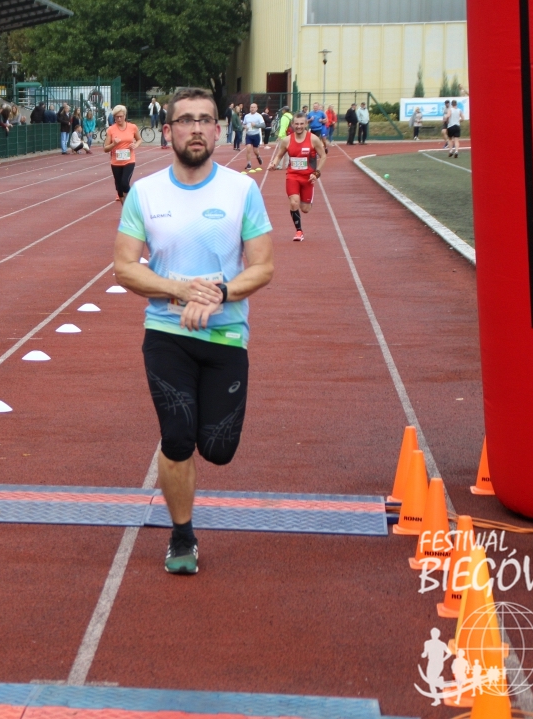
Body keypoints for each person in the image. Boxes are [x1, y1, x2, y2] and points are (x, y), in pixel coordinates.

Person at [113, 86, 274, 576]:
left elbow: (263, 266)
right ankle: (182, 536)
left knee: (218, 449)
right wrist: (179, 291)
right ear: (168, 132)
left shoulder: (242, 190)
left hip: (226, 336)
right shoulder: (145, 193)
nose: (197, 128)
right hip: (166, 333)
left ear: (219, 131)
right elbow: (124, 267)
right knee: (178, 436)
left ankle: (189, 478)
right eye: (186, 120)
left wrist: (218, 294)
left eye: (205, 120)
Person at [268, 111, 327, 242]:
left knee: (305, 209)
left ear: (306, 124)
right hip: (292, 176)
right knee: (294, 202)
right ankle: (299, 231)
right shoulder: (287, 140)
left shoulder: (313, 139)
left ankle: (307, 200)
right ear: (292, 125)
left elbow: (323, 156)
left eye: (301, 124)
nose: (299, 126)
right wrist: (274, 163)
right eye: (296, 124)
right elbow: (279, 155)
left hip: (308, 177)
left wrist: (317, 173)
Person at [102, 104, 141, 204]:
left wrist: (135, 145)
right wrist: (113, 144)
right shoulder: (111, 130)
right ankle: (125, 210)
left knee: (124, 182)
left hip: (129, 160)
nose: (119, 119)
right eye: (116, 117)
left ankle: (132, 200)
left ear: (125, 116)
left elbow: (139, 139)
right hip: (116, 162)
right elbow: (105, 149)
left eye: (121, 116)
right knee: (119, 189)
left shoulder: (132, 127)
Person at [242, 102, 264, 170]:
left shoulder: (259, 116)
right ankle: (249, 164)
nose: (252, 109)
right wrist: (244, 126)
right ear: (250, 108)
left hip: (256, 135)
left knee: (255, 151)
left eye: (254, 107)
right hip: (248, 135)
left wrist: (255, 125)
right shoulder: (246, 116)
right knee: (248, 149)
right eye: (251, 107)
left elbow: (263, 125)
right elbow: (243, 124)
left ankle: (258, 156)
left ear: (256, 108)